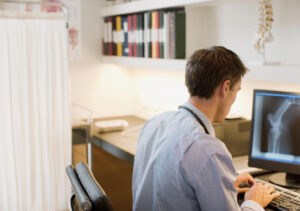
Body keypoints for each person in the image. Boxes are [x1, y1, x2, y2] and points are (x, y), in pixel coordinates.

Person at [132, 46, 280, 211]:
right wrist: (254, 202)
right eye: (236, 91)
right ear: (225, 88)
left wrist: (222, 185)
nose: (234, 99)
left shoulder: (154, 124)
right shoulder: (207, 150)